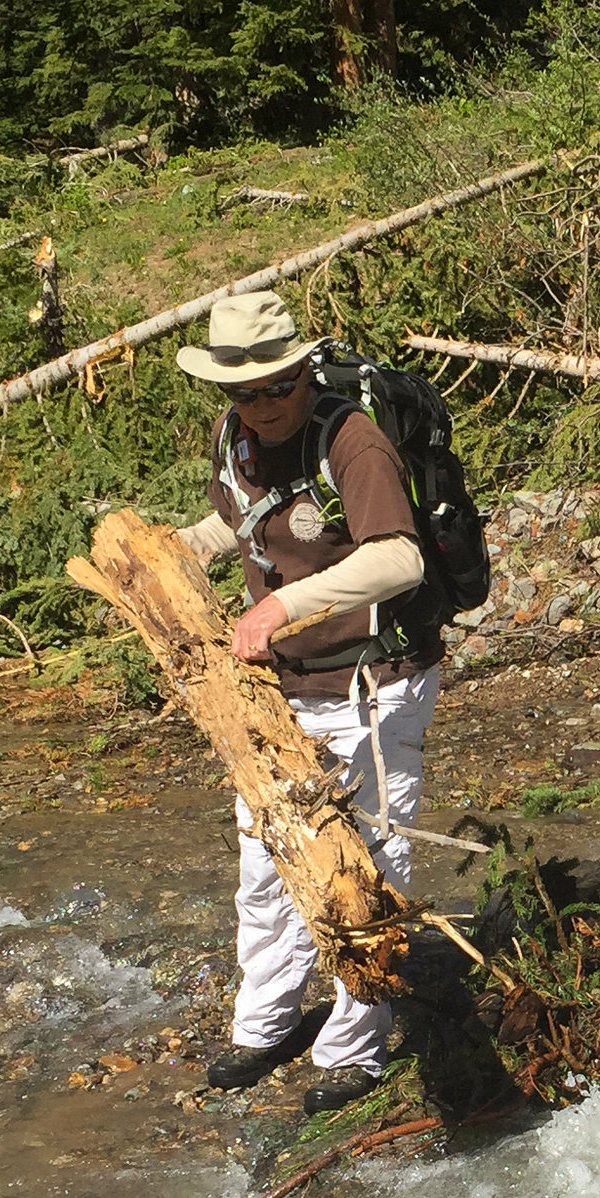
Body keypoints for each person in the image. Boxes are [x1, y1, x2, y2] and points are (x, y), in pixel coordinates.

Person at [171, 291, 444, 1116]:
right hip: (278, 693)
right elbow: (241, 527)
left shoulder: (351, 441)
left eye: (275, 388)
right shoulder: (235, 440)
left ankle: (356, 1045)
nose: (261, 406)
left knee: (363, 870)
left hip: (373, 685)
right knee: (266, 860)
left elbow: (399, 560)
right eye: (243, 393)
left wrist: (282, 608)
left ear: (301, 371)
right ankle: (263, 1024)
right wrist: (171, 554)